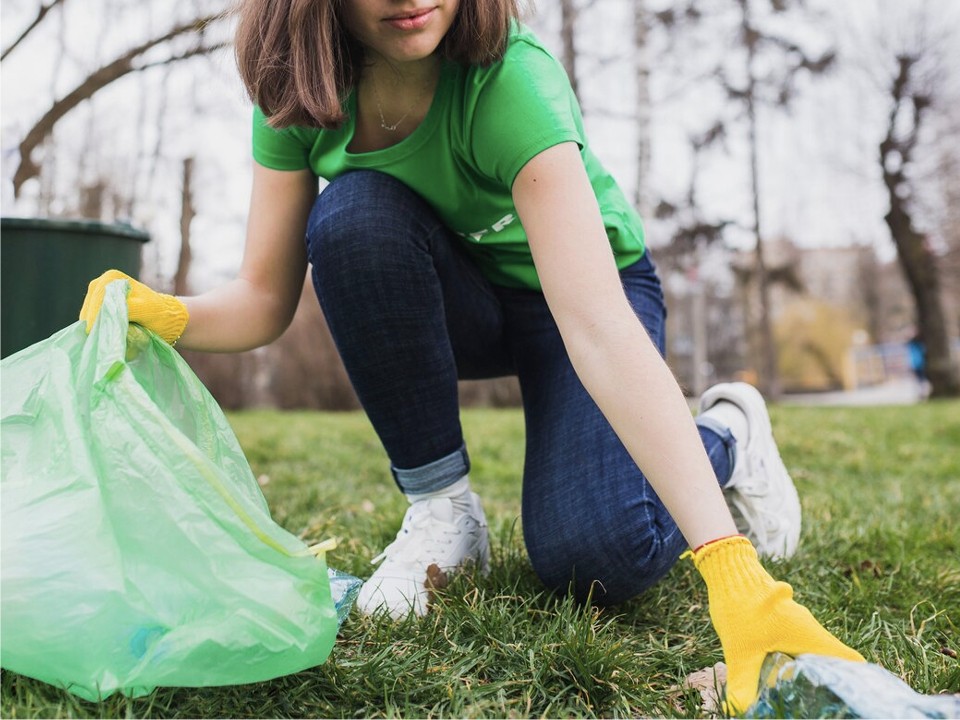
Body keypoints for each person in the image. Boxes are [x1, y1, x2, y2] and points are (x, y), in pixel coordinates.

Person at [79, 0, 865, 711]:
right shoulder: (299, 93)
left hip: (585, 299)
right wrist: (159, 313)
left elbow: (596, 325)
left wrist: (731, 571)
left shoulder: (510, 81)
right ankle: (443, 509)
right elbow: (263, 298)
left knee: (598, 559)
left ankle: (727, 436)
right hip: (457, 296)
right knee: (349, 216)